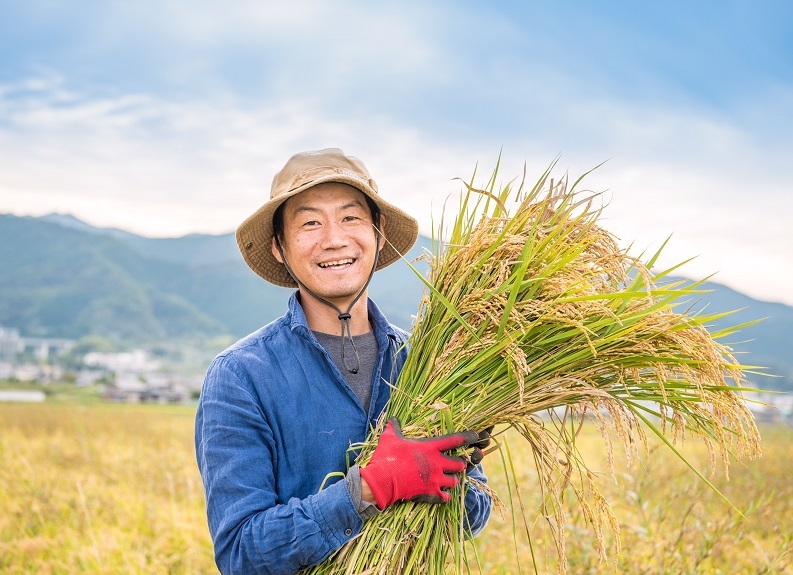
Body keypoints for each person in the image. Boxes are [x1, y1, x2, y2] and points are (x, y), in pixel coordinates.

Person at [194, 148, 492, 575]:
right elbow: (241, 553)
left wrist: (456, 473)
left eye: (351, 217)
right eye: (310, 223)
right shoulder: (241, 375)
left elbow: (470, 521)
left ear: (379, 233)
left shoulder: (427, 361)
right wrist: (369, 487)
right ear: (279, 246)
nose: (334, 239)